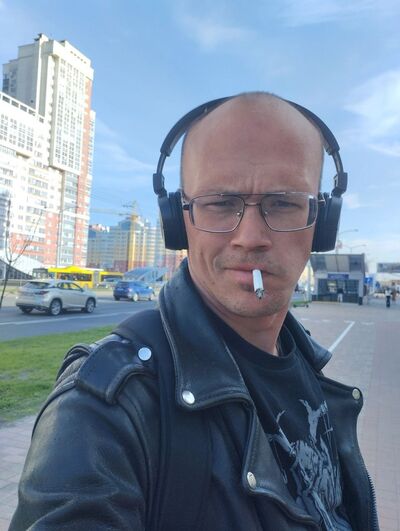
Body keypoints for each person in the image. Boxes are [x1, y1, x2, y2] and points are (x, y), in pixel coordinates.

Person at [10, 93, 378, 531]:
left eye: (283, 202)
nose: (251, 237)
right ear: (178, 220)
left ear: (323, 222)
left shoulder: (306, 363)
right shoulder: (109, 407)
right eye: (220, 202)